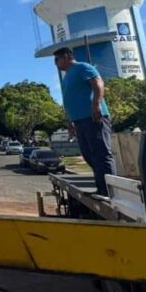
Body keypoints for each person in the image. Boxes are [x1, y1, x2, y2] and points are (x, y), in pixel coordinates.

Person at [53, 47, 115, 197]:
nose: (56, 64)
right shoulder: (67, 76)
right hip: (79, 120)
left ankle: (110, 191)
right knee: (88, 154)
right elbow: (70, 99)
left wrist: (96, 105)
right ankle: (101, 187)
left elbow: (98, 84)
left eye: (57, 60)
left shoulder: (83, 67)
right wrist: (70, 120)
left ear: (67, 56)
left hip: (93, 117)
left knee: (101, 153)